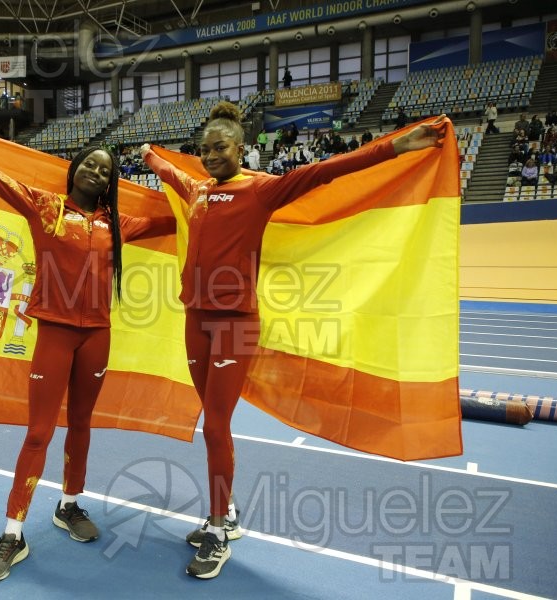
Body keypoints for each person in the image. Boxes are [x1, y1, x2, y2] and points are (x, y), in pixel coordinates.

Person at [140, 101, 444, 580]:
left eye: (219, 148)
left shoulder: (262, 191)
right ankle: (230, 511)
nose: (210, 157)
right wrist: (149, 155)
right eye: (204, 151)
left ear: (240, 148)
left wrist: (395, 145)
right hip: (194, 319)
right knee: (212, 424)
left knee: (216, 427)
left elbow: (328, 170)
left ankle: (218, 531)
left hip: (234, 322)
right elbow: (169, 172)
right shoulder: (197, 188)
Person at [0, 96, 175, 584]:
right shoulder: (44, 208)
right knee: (38, 433)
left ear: (111, 182)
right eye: (90, 164)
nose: (96, 171)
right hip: (54, 334)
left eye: (105, 169)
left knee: (83, 425)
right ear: (75, 170)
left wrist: (210, 193)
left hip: (97, 336)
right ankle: (12, 534)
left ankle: (69, 505)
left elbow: (179, 218)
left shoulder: (118, 225)